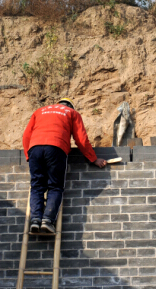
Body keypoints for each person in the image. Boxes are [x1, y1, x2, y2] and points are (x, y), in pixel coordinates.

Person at [22, 97, 107, 234]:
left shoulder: (40, 111)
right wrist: (93, 159)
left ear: (57, 104)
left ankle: (35, 220)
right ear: (70, 106)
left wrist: (28, 155)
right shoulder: (72, 113)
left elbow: (26, 135)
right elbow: (81, 139)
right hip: (56, 147)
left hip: (35, 148)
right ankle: (47, 221)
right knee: (55, 186)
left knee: (37, 185)